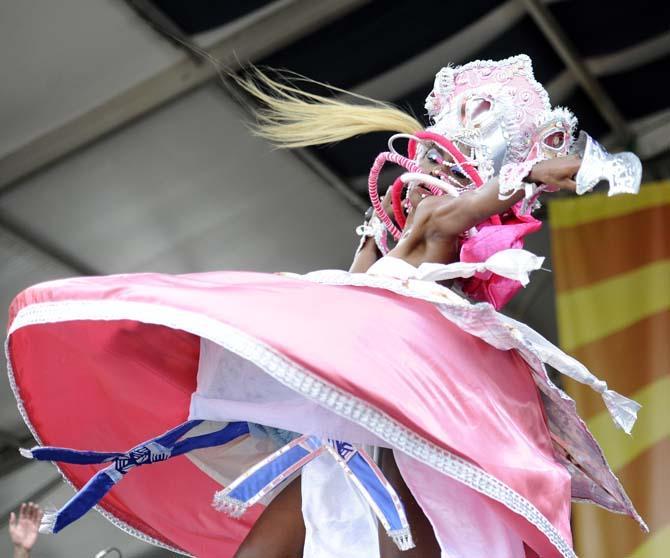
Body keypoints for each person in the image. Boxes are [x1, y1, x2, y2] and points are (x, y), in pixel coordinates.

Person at [6, 55, 644, 558]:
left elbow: (357, 287)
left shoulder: (412, 240)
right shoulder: (430, 220)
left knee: (339, 509)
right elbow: (370, 285)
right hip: (387, 384)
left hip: (394, 400)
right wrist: (573, 167)